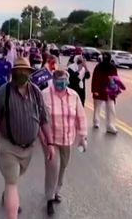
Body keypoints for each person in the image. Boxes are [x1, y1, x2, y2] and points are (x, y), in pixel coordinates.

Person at [0, 57, 55, 219]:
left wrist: (50, 143)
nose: (21, 74)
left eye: (25, 71)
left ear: (29, 73)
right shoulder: (4, 91)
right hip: (8, 146)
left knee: (14, 179)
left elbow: (43, 119)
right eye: (18, 71)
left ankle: (7, 195)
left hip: (28, 148)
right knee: (12, 182)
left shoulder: (36, 92)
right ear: (13, 73)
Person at [40, 70, 87, 216]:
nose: (62, 84)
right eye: (59, 81)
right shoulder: (45, 94)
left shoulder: (73, 95)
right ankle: (49, 199)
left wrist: (82, 136)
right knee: (52, 168)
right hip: (50, 139)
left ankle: (56, 190)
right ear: (53, 81)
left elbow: (81, 116)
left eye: (64, 81)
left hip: (67, 138)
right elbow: (39, 117)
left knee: (63, 166)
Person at [91, 52, 119, 134]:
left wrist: (115, 91)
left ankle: (110, 125)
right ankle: (96, 122)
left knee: (111, 109)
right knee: (97, 108)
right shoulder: (98, 67)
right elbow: (94, 79)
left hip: (109, 91)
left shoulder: (112, 68)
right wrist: (94, 90)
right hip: (99, 90)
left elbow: (116, 79)